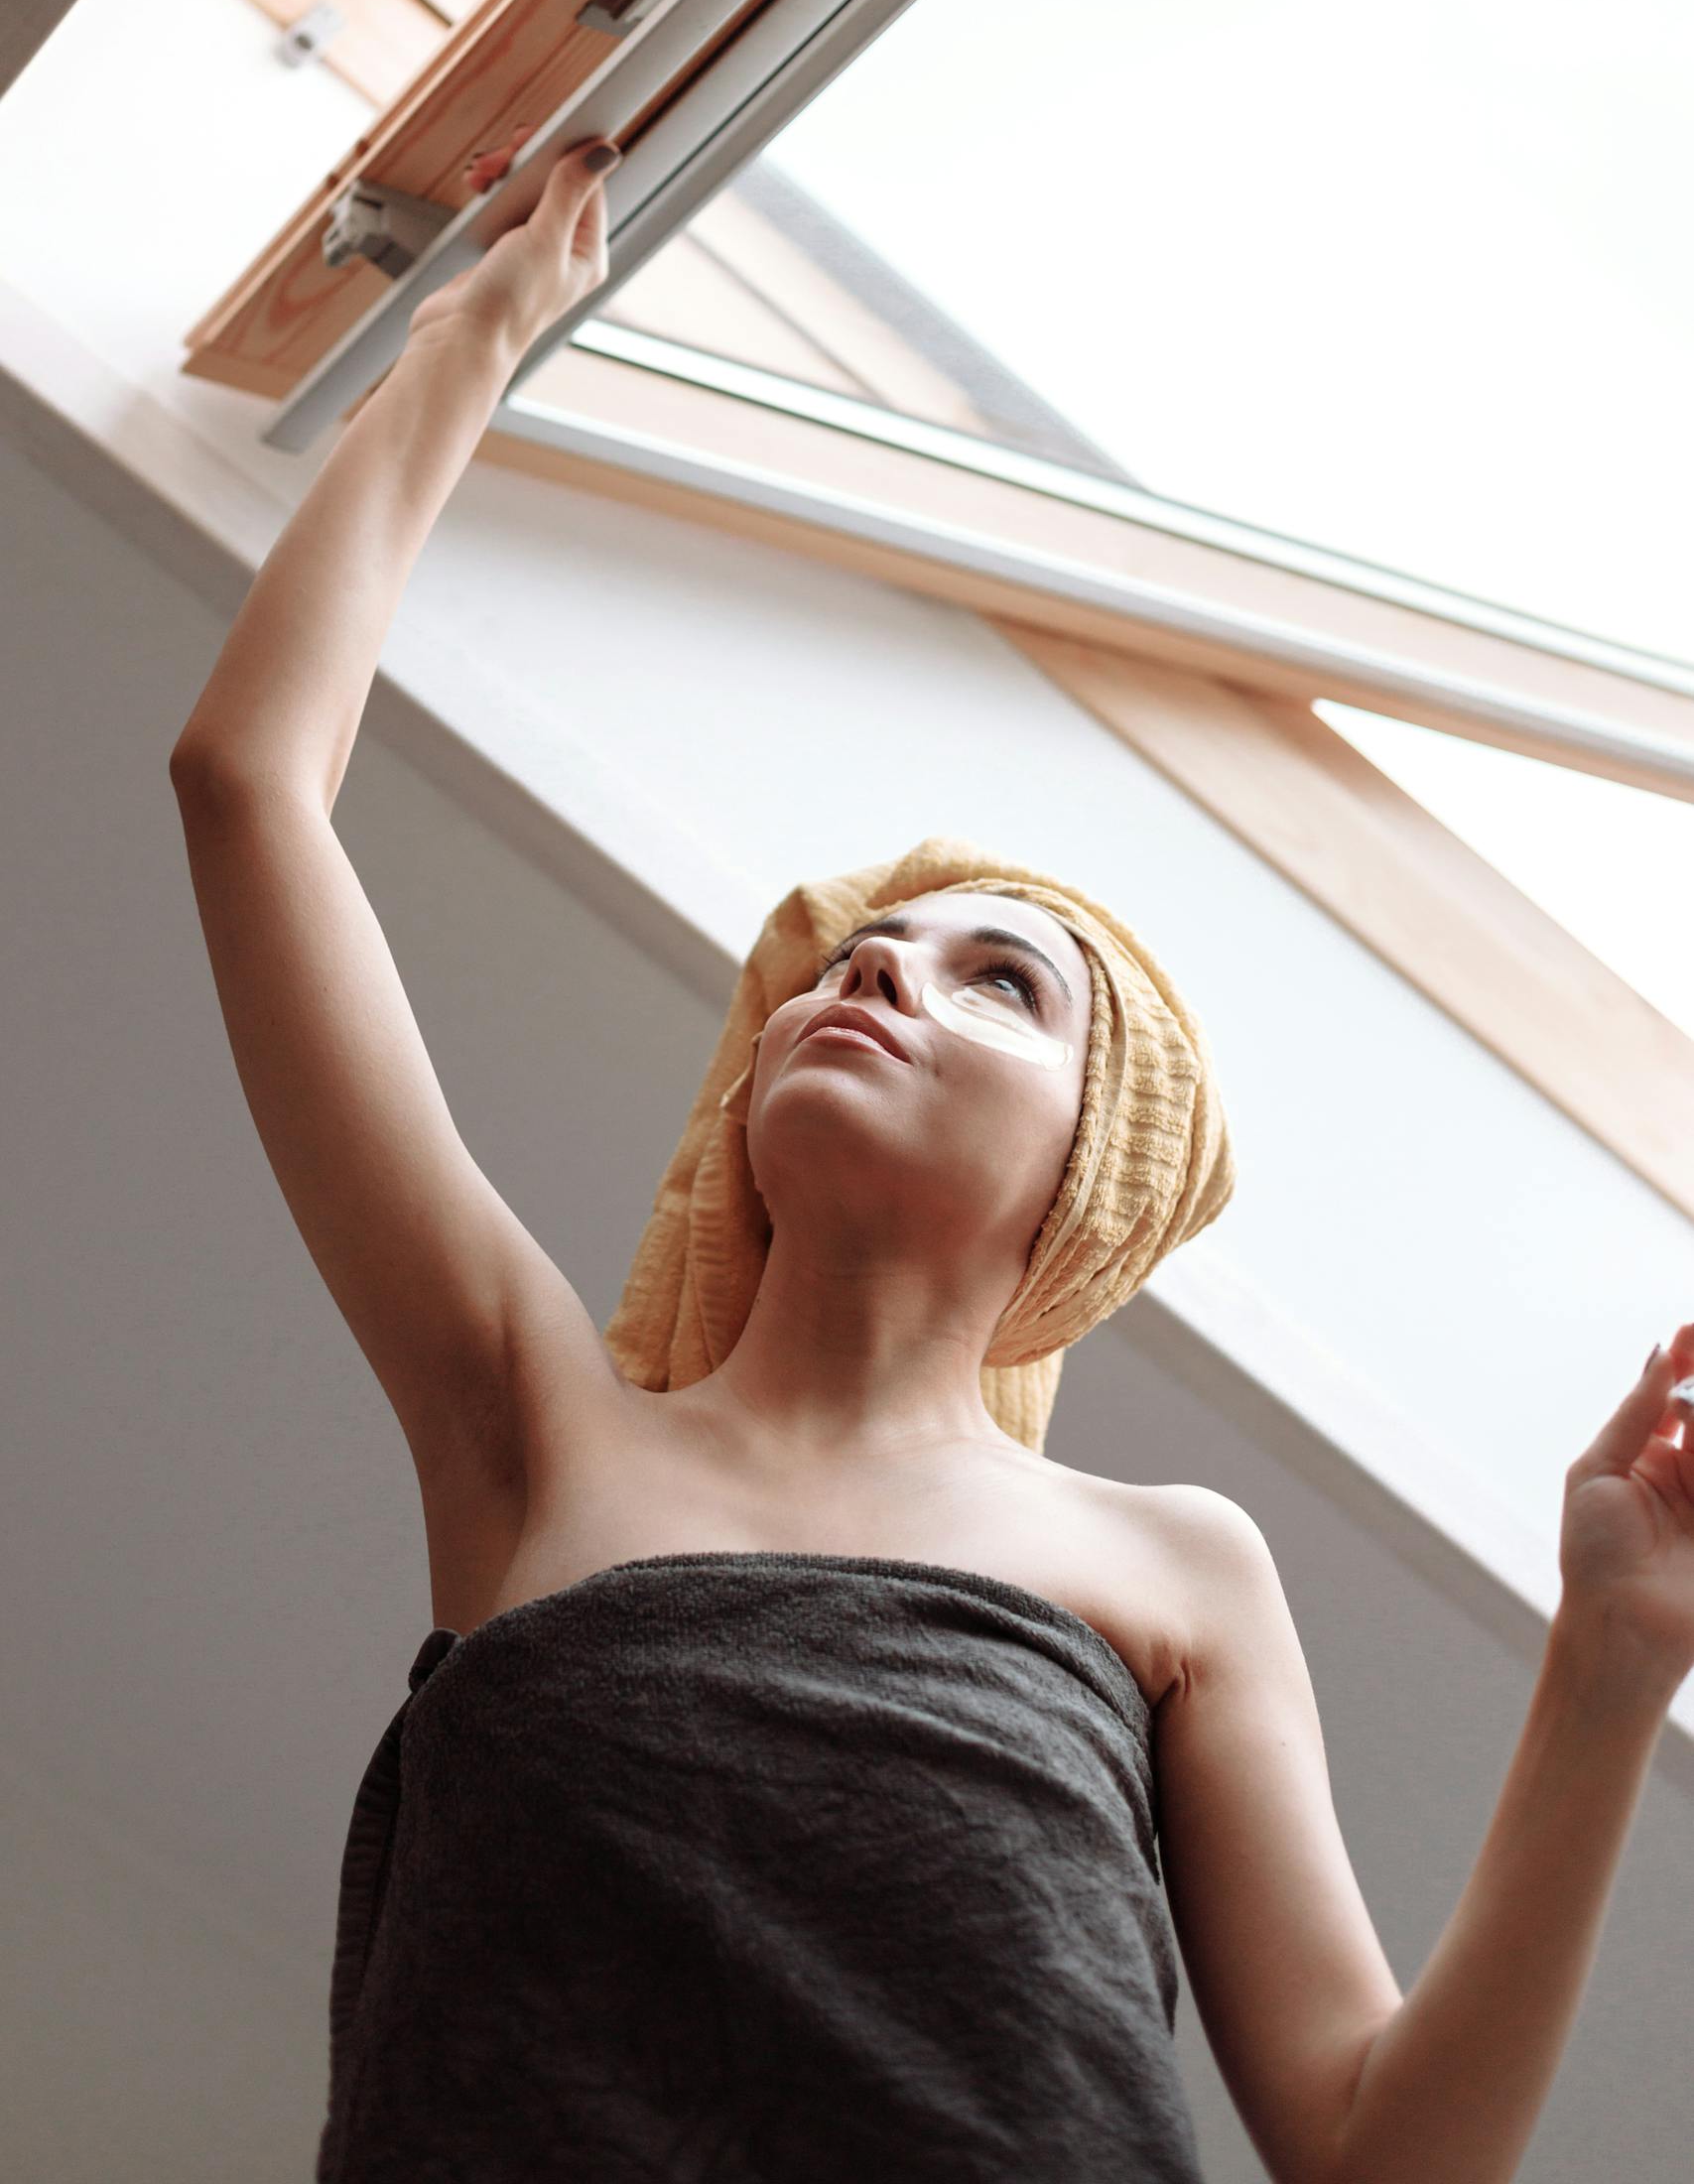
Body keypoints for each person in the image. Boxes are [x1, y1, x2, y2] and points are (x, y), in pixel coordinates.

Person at [168, 138, 1694, 2183]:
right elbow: (248, 783)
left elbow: (1378, 2152)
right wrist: (476, 334)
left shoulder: (1172, 1563)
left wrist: (1604, 1663)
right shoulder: (531, 1427)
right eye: (861, 954)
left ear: (1094, 1167)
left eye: (998, 982)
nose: (877, 969)